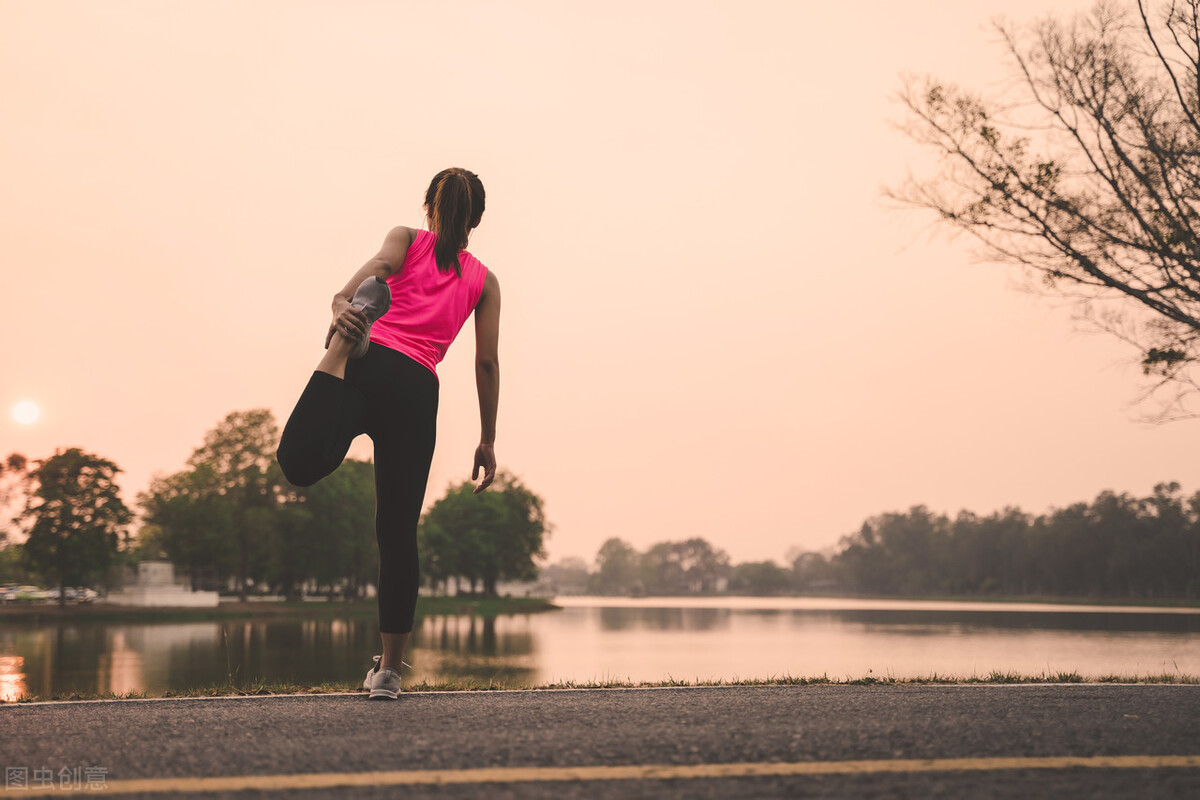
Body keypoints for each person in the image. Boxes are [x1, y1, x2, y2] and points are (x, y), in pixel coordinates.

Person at [276, 167, 500, 700]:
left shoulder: (406, 239)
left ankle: (343, 342)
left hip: (365, 362)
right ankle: (390, 672)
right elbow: (486, 362)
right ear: (477, 221)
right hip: (417, 391)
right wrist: (488, 437)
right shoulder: (484, 281)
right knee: (397, 532)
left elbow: (372, 270)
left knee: (299, 463)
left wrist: (340, 306)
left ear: (430, 207)